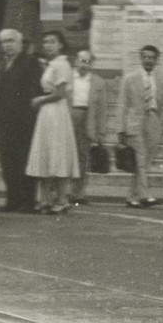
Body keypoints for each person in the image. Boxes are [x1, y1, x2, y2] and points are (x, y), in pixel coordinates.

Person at [25, 30, 81, 214]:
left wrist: (40, 100)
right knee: (47, 153)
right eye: (45, 42)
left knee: (58, 154)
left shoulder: (62, 64)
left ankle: (63, 199)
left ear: (60, 45)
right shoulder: (52, 64)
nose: (48, 45)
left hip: (56, 112)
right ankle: (46, 199)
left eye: (52, 42)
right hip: (47, 113)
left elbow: (61, 93)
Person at [0, 28, 42, 212]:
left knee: (24, 160)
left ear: (20, 43)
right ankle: (12, 200)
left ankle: (27, 201)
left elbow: (33, 91)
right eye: (4, 41)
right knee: (7, 161)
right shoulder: (4, 63)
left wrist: (29, 117)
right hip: (5, 121)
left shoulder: (30, 62)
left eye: (11, 40)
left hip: (24, 121)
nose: (7, 45)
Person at [117, 44, 163, 208]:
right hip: (134, 122)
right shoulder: (130, 78)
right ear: (140, 58)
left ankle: (131, 197)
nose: (148, 60)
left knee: (145, 161)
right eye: (145, 57)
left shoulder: (162, 79)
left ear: (156, 59)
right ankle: (145, 195)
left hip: (153, 119)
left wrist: (161, 122)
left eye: (152, 57)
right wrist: (121, 129)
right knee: (140, 158)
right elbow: (122, 105)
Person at [69, 50, 108, 206]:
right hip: (68, 117)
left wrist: (101, 131)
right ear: (75, 61)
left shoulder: (98, 82)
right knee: (65, 155)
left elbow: (102, 109)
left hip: (87, 119)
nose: (83, 65)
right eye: (81, 61)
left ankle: (78, 193)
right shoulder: (67, 77)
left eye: (87, 62)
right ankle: (61, 191)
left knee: (82, 156)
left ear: (91, 64)